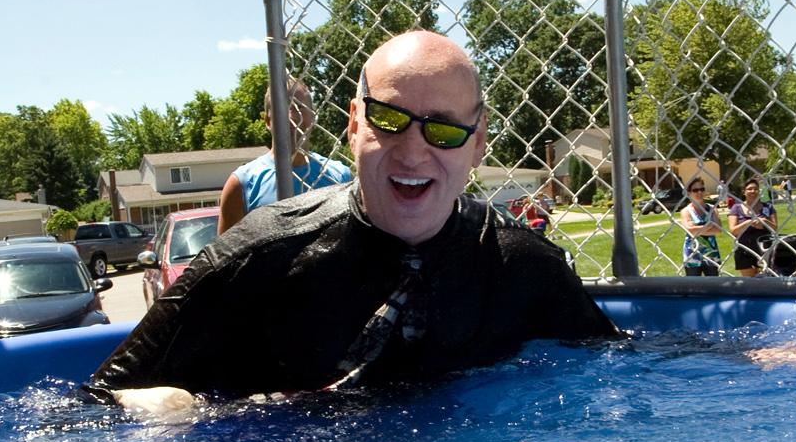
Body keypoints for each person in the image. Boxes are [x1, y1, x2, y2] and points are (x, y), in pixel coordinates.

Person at [89, 31, 619, 407]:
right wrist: (172, 412)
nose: (412, 153)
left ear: (477, 144)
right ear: (353, 124)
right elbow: (90, 407)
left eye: (444, 130)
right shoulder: (255, 259)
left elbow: (623, 374)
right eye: (388, 120)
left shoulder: (527, 268)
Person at [217, 77, 352, 234]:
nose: (292, 117)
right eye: (282, 109)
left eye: (300, 108)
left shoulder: (340, 177)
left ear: (313, 117)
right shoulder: (242, 184)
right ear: (268, 121)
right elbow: (227, 256)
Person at [728, 178, 776, 275]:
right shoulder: (736, 208)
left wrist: (764, 221)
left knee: (767, 280)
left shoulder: (768, 207)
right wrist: (748, 223)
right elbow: (733, 231)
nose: (753, 191)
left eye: (755, 189)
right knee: (749, 283)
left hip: (765, 249)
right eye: (749, 189)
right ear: (744, 192)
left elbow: (775, 228)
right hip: (744, 250)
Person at [677, 178, 723, 276]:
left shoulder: (712, 209)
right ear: (688, 193)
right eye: (695, 190)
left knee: (713, 285)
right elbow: (689, 230)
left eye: (702, 189)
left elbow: (718, 230)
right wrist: (709, 226)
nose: (699, 192)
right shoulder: (685, 211)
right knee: (693, 287)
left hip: (711, 254)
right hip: (692, 255)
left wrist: (697, 229)